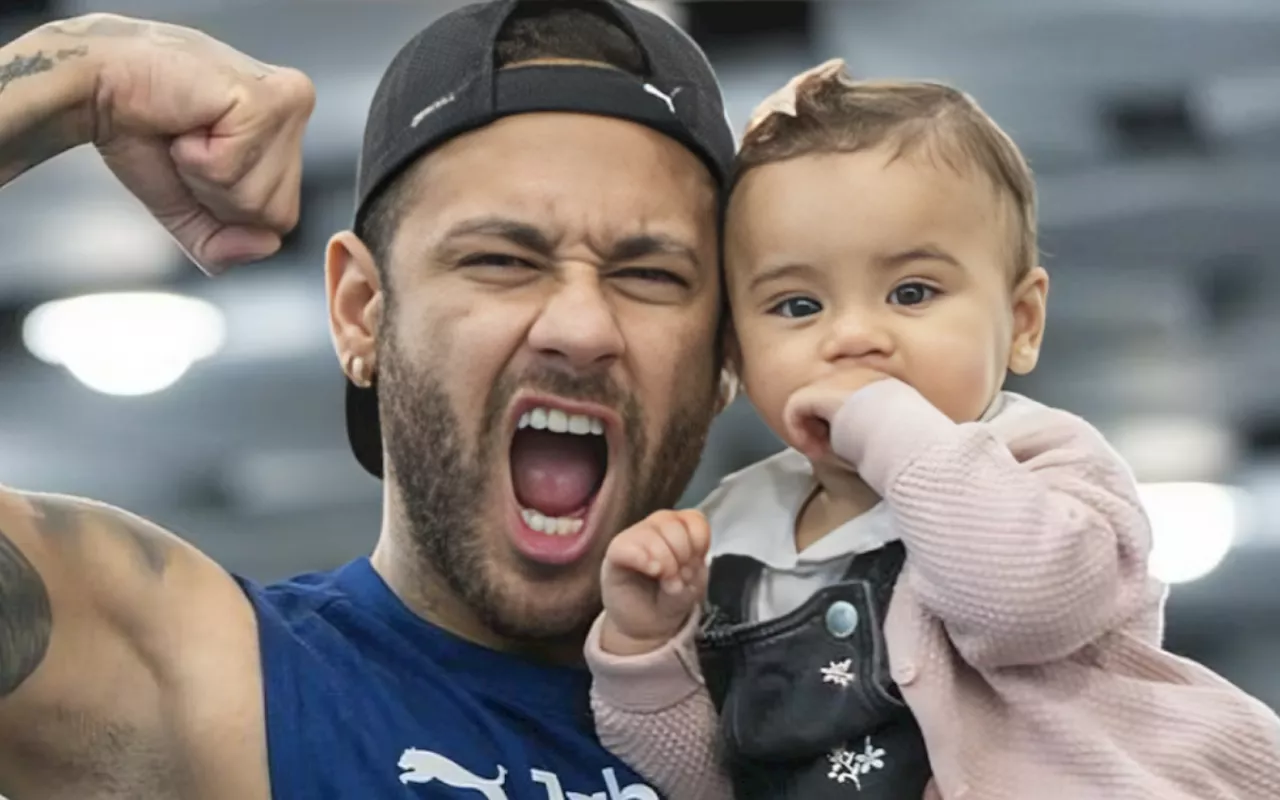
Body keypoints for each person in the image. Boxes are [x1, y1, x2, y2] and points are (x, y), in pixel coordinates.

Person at [0, 1, 737, 797]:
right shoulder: (213, 681)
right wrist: (81, 74)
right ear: (360, 311)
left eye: (650, 276)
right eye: (500, 260)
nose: (582, 326)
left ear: (727, 356)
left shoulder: (835, 702)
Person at [584, 60, 1280, 800]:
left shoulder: (1043, 460)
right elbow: (712, 779)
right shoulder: (732, 529)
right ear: (735, 353)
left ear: (1021, 323)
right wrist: (645, 647)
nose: (853, 336)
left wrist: (888, 425)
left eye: (911, 292)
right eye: (796, 306)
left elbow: (1026, 609)